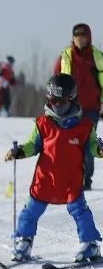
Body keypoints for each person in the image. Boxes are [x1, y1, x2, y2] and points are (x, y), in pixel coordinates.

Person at [4, 73, 103, 264]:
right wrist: (19, 152)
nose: (57, 105)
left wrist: (100, 149)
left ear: (72, 99)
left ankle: (90, 243)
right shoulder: (43, 124)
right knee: (30, 212)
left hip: (71, 181)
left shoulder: (84, 126)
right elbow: (32, 145)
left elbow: (93, 147)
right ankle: (24, 241)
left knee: (80, 211)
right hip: (45, 180)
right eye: (53, 100)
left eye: (62, 101)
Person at [54, 23, 103, 189]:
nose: (79, 37)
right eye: (76, 34)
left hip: (91, 108)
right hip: (69, 109)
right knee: (68, 144)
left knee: (88, 144)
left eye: (83, 34)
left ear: (88, 36)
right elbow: (55, 82)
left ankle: (85, 180)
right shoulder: (65, 56)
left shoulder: (97, 57)